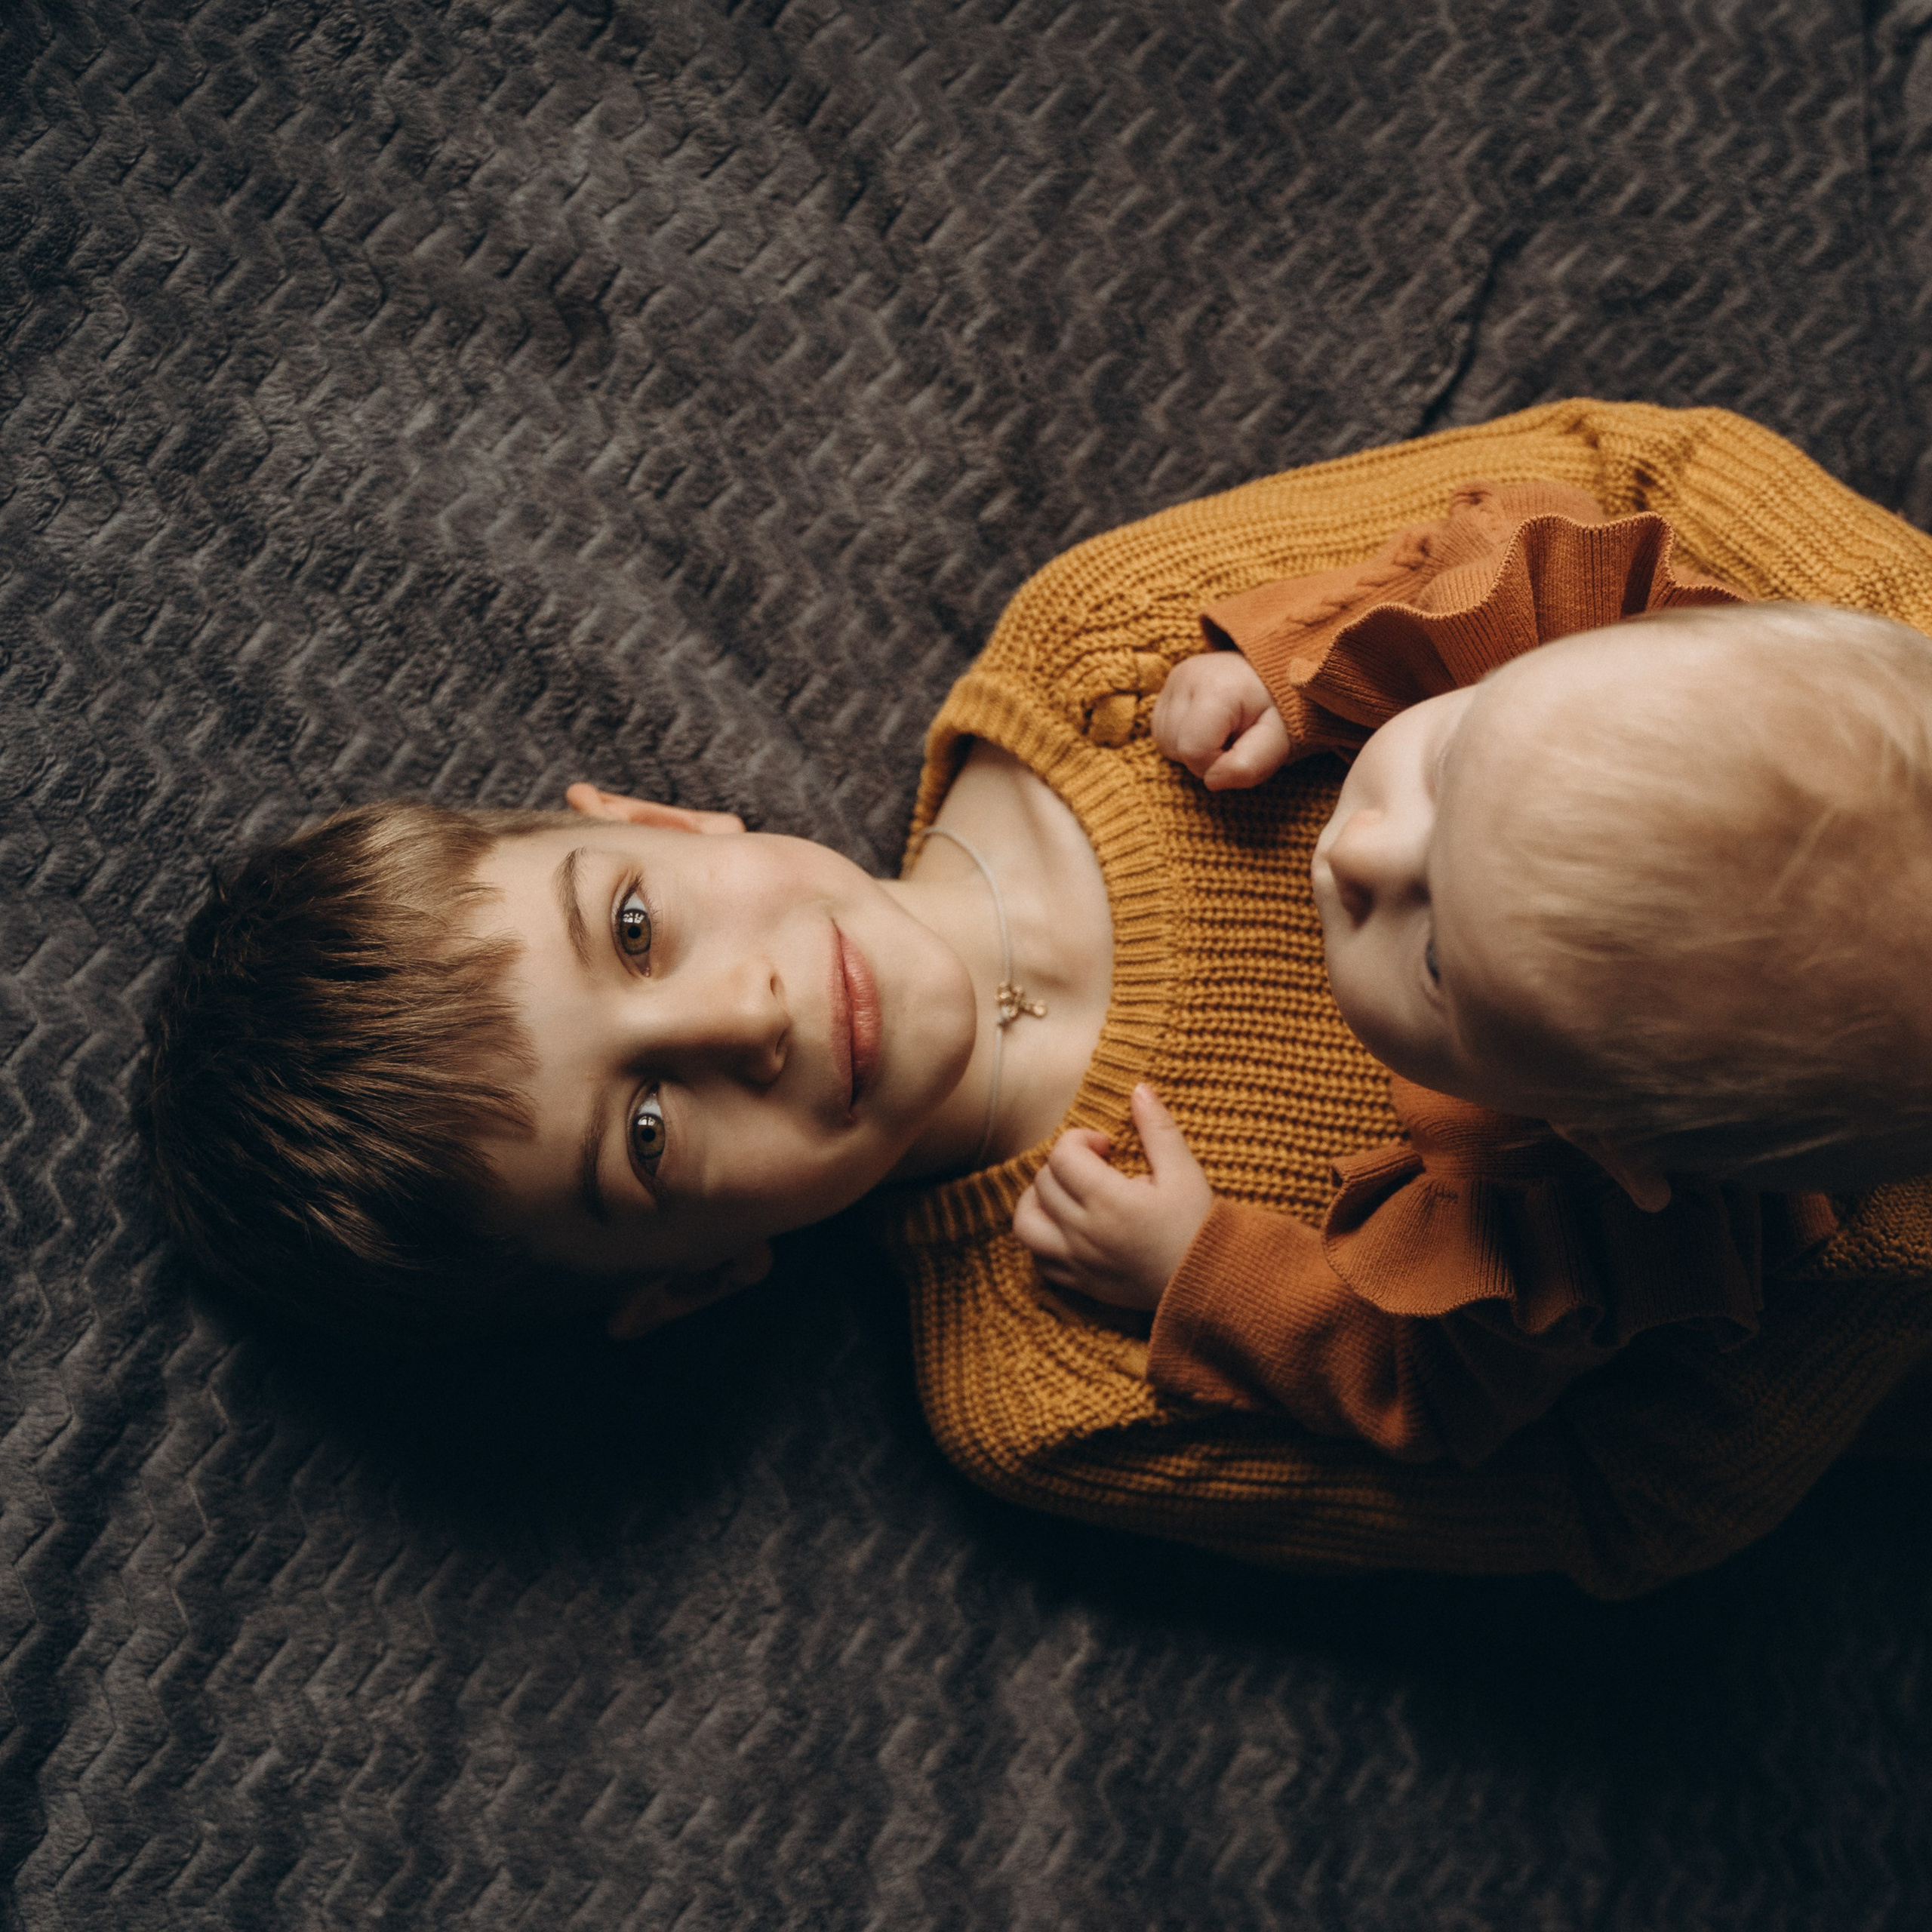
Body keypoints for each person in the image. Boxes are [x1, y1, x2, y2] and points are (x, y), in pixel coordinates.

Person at [142, 399, 1932, 1594]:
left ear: (657, 817)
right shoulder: (1050, 1381)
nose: (740, 1016)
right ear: (686, 1275)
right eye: (645, 1124)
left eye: (630, 927)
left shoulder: (1110, 653)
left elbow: (1634, 479)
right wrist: (1855, 1244)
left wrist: (1303, 650)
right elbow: (1618, 1513)